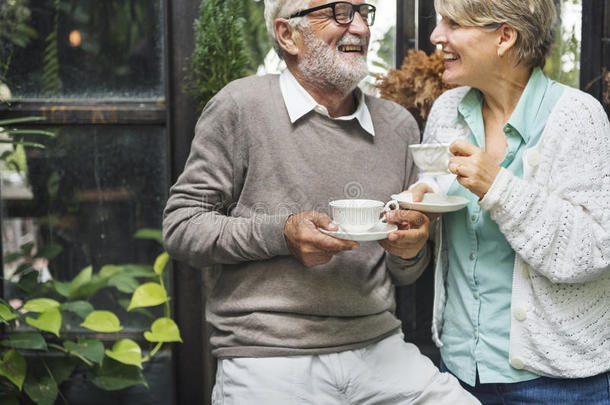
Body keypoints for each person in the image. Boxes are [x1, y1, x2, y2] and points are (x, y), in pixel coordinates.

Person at [163, 0, 480, 403]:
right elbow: (181, 227)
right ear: (287, 35)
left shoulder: (398, 126)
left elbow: (405, 272)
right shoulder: (240, 107)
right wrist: (282, 234)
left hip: (380, 347)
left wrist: (410, 247)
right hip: (269, 356)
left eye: (364, 12)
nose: (361, 28)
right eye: (340, 12)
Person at [409, 0, 610, 403]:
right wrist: (415, 225)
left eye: (453, 23)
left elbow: (594, 250)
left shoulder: (577, 116)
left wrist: (497, 186)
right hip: (459, 371)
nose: (436, 36)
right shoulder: (447, 111)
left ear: (505, 36)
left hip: (557, 385)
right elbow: (440, 212)